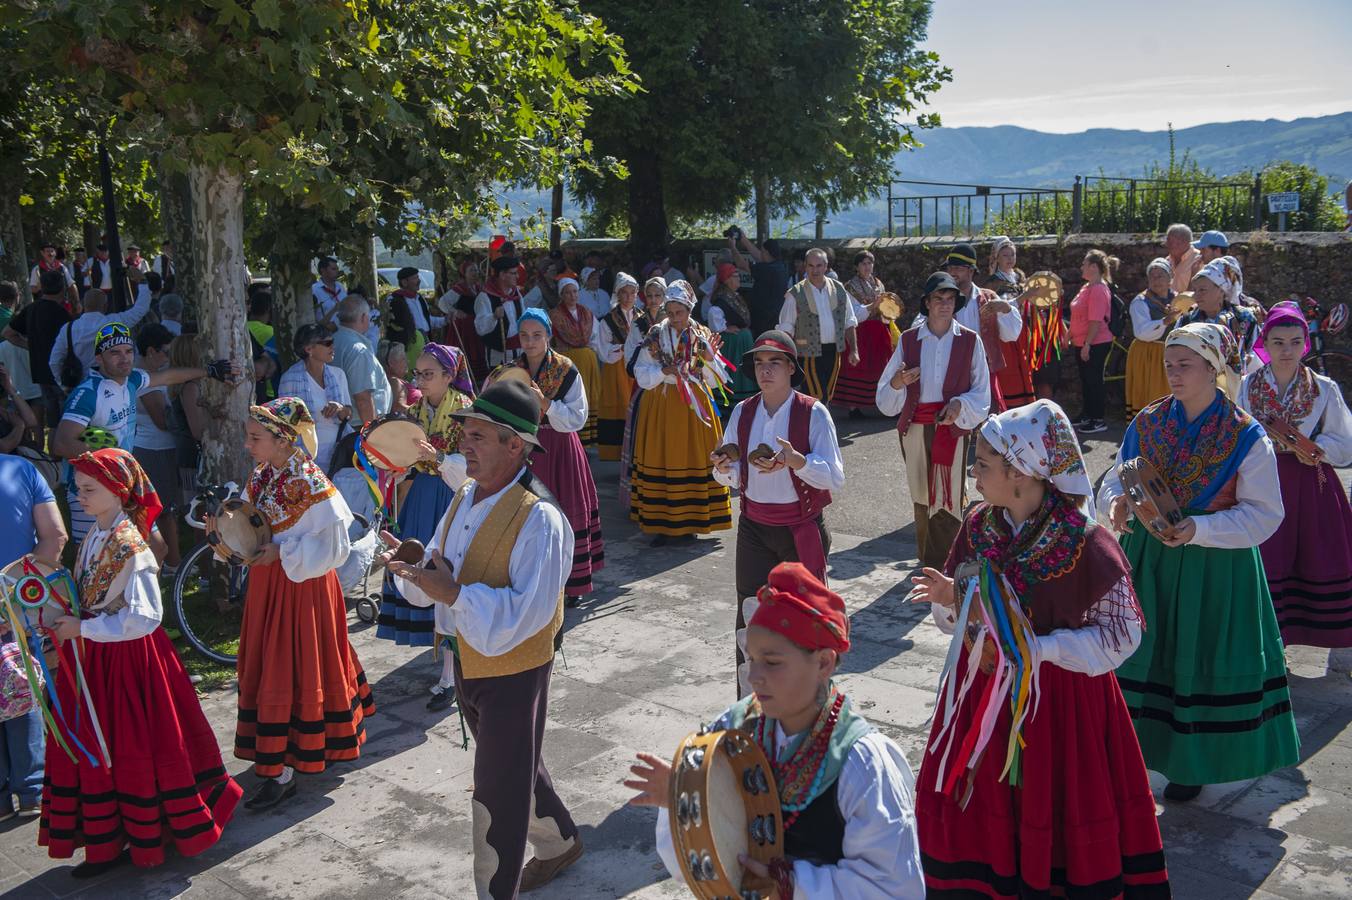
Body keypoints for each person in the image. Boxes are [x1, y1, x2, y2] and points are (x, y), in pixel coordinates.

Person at [908, 401, 1169, 897]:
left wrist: (1041, 650)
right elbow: (963, 623)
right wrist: (953, 598)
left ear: (1022, 471)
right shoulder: (979, 525)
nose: (974, 472)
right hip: (983, 699)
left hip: (1060, 709)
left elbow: (1122, 635)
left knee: (1053, 812)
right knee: (984, 813)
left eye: (983, 463)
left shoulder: (1086, 543)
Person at [383, 380, 583, 897]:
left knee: (496, 790)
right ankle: (560, 843)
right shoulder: (468, 495)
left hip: (513, 671)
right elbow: (441, 570)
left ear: (515, 444)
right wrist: (416, 565)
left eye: (477, 435)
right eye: (463, 433)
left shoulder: (542, 519)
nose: (463, 444)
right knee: (514, 764)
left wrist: (452, 593)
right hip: (467, 660)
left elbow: (527, 617)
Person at [628, 562, 925, 899]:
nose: (754, 677)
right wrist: (686, 799)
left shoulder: (863, 764)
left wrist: (793, 883)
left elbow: (897, 888)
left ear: (824, 663)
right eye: (751, 659)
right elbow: (696, 870)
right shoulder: (734, 728)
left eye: (772, 662)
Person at [1099, 323, 1299, 802]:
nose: (1173, 373)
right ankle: (1132, 753)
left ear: (1214, 368)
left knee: (1194, 657)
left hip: (1215, 566)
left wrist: (1200, 530)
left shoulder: (1245, 436)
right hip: (1150, 559)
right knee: (1144, 653)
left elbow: (1265, 515)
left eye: (1184, 364)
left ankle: (1190, 763)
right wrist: (1115, 503)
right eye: (1169, 364)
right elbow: (1117, 474)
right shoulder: (1147, 421)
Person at [40, 448, 241, 874]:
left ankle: (150, 833)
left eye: (89, 489)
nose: (79, 497)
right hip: (97, 658)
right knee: (104, 744)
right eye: (77, 489)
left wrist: (85, 629)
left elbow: (146, 617)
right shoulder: (98, 533)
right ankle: (108, 841)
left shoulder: (132, 546)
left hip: (131, 661)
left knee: (135, 746)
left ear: (117, 490)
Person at [234, 399, 375, 810]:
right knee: (273, 663)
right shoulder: (263, 475)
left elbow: (335, 546)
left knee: (293, 664)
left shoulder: (311, 483)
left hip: (303, 588)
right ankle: (281, 755)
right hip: (269, 585)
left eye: (255, 437)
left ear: (283, 439)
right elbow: (248, 520)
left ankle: (284, 767)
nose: (248, 445)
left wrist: (282, 555)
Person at [712, 331, 845, 695]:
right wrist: (724, 465)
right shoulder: (743, 411)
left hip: (799, 530)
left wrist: (797, 461)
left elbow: (834, 475)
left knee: (803, 621)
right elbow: (730, 475)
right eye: (759, 362)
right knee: (750, 619)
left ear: (790, 368)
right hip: (754, 528)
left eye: (774, 363)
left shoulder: (812, 412)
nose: (765, 370)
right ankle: (751, 705)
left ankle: (806, 704)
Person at [51, 322, 231, 543]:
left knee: (157, 548)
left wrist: (209, 371)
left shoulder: (132, 380)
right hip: (90, 486)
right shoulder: (88, 393)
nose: (124, 358)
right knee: (94, 559)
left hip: (123, 481)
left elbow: (167, 377)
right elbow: (61, 443)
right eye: (114, 353)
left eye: (128, 352)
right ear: (99, 359)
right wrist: (108, 461)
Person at [1241, 302, 1352, 649]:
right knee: (1269, 555)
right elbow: (1239, 433)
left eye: (1294, 341)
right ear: (1265, 344)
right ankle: (1272, 641)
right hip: (1265, 482)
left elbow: (1345, 441)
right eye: (1278, 342)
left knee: (1311, 553)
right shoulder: (1248, 386)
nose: (1286, 350)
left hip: (1311, 483)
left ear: (1305, 342)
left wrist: (1317, 449)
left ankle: (1307, 630)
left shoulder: (1323, 388)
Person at [877, 272, 991, 570]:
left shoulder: (969, 340)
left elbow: (982, 391)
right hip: (914, 427)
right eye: (938, 298)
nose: (944, 304)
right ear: (927, 303)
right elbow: (884, 397)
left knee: (948, 495)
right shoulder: (909, 340)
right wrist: (899, 382)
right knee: (921, 494)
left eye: (950, 299)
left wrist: (960, 404)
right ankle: (928, 561)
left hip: (950, 429)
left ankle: (943, 565)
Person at [498, 311, 604, 607]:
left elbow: (577, 418)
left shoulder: (566, 370)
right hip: (522, 450)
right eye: (524, 336)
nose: (530, 342)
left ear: (548, 337)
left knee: (564, 512)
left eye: (536, 335)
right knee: (524, 516)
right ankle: (527, 579)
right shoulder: (510, 370)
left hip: (559, 448)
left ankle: (573, 582)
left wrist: (546, 403)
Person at [375, 344, 473, 654]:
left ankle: (451, 665)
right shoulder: (415, 412)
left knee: (447, 570)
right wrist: (399, 469)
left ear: (448, 375)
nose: (420, 380)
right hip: (421, 497)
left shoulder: (465, 410)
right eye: (418, 374)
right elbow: (408, 457)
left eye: (428, 374)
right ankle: (436, 651)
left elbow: (471, 465)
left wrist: (440, 458)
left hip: (451, 496)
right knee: (418, 559)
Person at [630, 282, 733, 545]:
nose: (675, 318)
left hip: (695, 406)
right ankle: (662, 523)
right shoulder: (655, 335)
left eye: (680, 312)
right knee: (662, 458)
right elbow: (641, 373)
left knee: (693, 457)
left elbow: (717, 379)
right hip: (662, 406)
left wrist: (709, 359)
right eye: (671, 312)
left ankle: (693, 522)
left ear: (689, 309)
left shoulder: (702, 335)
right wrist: (664, 372)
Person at [0, 451, 65, 822]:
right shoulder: (22, 469)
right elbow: (55, 537)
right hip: (18, 600)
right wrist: (19, 592)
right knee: (21, 683)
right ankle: (31, 788)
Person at [916, 244, 1021, 414]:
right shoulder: (941, 300)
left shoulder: (989, 298)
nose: (952, 272)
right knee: (953, 426)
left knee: (988, 427)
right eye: (950, 267)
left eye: (958, 268)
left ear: (971, 271)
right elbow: (918, 329)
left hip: (984, 374)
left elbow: (1011, 335)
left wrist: (1006, 309)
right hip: (949, 373)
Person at [131, 323, 183, 571]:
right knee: (164, 509)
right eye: (165, 351)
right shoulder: (144, 378)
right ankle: (172, 563)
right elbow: (162, 420)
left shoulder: (150, 374)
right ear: (150, 351)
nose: (168, 357)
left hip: (158, 447)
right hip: (152, 449)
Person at [778, 248, 859, 403]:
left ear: (826, 266)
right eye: (811, 266)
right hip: (807, 353)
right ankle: (814, 426)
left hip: (834, 351)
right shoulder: (795, 293)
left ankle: (817, 426)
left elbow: (849, 321)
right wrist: (787, 358)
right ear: (805, 267)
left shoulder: (839, 289)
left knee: (827, 396)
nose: (815, 270)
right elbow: (786, 328)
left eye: (819, 266)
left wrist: (854, 350)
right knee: (816, 396)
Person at [4, 269, 73, 442]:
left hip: (40, 372)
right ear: (61, 288)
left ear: (42, 287)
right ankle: (61, 455)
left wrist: (30, 347)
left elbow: (8, 333)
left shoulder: (30, 309)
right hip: (61, 374)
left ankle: (53, 458)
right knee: (68, 418)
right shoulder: (62, 314)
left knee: (53, 421)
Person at [48, 271, 154, 385]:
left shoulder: (68, 328)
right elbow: (140, 309)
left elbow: (54, 362)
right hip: (110, 383)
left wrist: (63, 384)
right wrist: (143, 282)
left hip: (81, 384)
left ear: (83, 305)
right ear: (105, 306)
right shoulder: (114, 322)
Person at [1180, 256, 1260, 398]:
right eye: (1195, 290)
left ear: (1221, 291)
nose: (1196, 295)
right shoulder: (1187, 321)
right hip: (1197, 389)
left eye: (1203, 290)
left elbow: (1259, 351)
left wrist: (1248, 360)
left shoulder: (1244, 318)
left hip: (1239, 390)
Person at [278, 323, 354, 472]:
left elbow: (348, 415)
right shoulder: (289, 380)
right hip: (306, 455)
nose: (332, 347)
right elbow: (286, 425)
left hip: (339, 453)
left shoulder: (338, 375)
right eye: (327, 343)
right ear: (309, 349)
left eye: (332, 342)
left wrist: (339, 409)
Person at [834, 250, 899, 414]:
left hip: (878, 332)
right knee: (858, 369)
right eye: (863, 263)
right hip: (861, 332)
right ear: (856, 267)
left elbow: (883, 308)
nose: (867, 266)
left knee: (882, 366)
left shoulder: (878, 283)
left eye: (870, 263)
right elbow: (853, 313)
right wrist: (873, 305)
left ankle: (882, 403)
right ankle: (854, 406)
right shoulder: (849, 287)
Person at [1068, 250, 1118, 435]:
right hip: (1083, 341)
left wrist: (1087, 344)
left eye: (1084, 263)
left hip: (1096, 342)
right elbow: (1078, 316)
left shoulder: (1098, 289)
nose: (1081, 267)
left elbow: (1095, 320)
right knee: (1086, 380)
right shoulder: (1087, 287)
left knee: (1094, 380)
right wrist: (1070, 336)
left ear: (1094, 267)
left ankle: (1097, 418)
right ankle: (1087, 414)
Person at [547, 277, 601, 446]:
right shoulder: (554, 315)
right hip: (568, 362)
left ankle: (590, 438)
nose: (572, 296)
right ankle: (576, 438)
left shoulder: (586, 313)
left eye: (575, 291)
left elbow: (596, 337)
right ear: (561, 295)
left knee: (589, 398)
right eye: (568, 292)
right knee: (572, 397)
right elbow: (549, 340)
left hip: (588, 361)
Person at [983, 236, 1035, 408]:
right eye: (1005, 255)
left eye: (1012, 255)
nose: (1010, 259)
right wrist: (1025, 296)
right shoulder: (994, 283)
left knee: (1023, 368)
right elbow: (1000, 308)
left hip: (1022, 331)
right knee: (1010, 370)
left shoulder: (1019, 277)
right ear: (997, 257)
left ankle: (1024, 405)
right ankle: (1009, 405)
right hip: (1004, 334)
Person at [1125, 257, 1181, 415]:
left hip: (1172, 351)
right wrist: (1165, 321)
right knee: (1150, 391)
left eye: (1160, 276)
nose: (1156, 280)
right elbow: (1141, 332)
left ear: (1170, 278)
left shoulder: (1178, 299)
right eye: (1152, 276)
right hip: (1149, 353)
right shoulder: (1140, 302)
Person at [595, 272, 640, 462]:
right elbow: (602, 348)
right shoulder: (608, 320)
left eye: (632, 292)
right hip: (616, 368)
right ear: (617, 294)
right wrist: (622, 348)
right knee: (617, 405)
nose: (628, 297)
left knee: (635, 405)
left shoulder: (642, 317)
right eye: (624, 292)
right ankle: (614, 450)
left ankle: (635, 448)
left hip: (637, 368)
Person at [705, 262, 758, 409]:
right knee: (735, 373)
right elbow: (713, 315)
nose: (738, 278)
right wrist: (724, 328)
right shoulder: (722, 299)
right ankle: (731, 403)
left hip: (742, 342)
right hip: (733, 346)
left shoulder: (733, 296)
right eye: (735, 275)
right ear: (727, 279)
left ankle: (746, 400)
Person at [332, 296, 390, 426]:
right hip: (359, 426)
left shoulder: (333, 340)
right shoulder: (358, 350)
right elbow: (363, 399)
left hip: (346, 423)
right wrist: (371, 432)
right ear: (364, 317)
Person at [166, 334, 207, 508]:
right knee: (197, 511)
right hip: (192, 457)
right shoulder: (190, 387)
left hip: (188, 454)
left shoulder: (188, 385)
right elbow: (197, 430)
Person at [437, 258, 489, 383]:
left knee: (477, 352)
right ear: (464, 273)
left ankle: (477, 379)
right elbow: (442, 303)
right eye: (471, 271)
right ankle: (462, 378)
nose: (475, 273)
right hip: (463, 328)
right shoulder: (459, 289)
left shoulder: (478, 288)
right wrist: (455, 312)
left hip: (475, 327)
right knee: (465, 352)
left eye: (476, 270)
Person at [730, 234, 790, 337]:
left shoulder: (766, 270)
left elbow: (741, 264)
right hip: (776, 318)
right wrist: (743, 239)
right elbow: (760, 256)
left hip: (763, 320)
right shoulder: (781, 266)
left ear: (767, 252)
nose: (760, 253)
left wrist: (733, 247)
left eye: (762, 251)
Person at [476, 255, 528, 367]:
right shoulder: (485, 297)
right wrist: (493, 317)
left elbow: (523, 318)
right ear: (502, 275)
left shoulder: (516, 294)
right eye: (513, 273)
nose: (517, 276)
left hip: (519, 352)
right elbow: (480, 328)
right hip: (498, 355)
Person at [379, 339, 419, 413]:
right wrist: (422, 410)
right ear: (391, 363)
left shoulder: (397, 381)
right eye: (403, 359)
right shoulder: (394, 381)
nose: (408, 361)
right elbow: (398, 408)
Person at [1163, 224, 1201, 294]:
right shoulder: (1167, 260)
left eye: (1169, 240)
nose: (1166, 244)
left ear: (1183, 241)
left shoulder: (1199, 260)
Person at [311, 256, 347, 326]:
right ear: (323, 270)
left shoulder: (340, 287)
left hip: (344, 331)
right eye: (333, 269)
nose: (337, 271)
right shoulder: (314, 290)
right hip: (325, 333)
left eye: (337, 269)